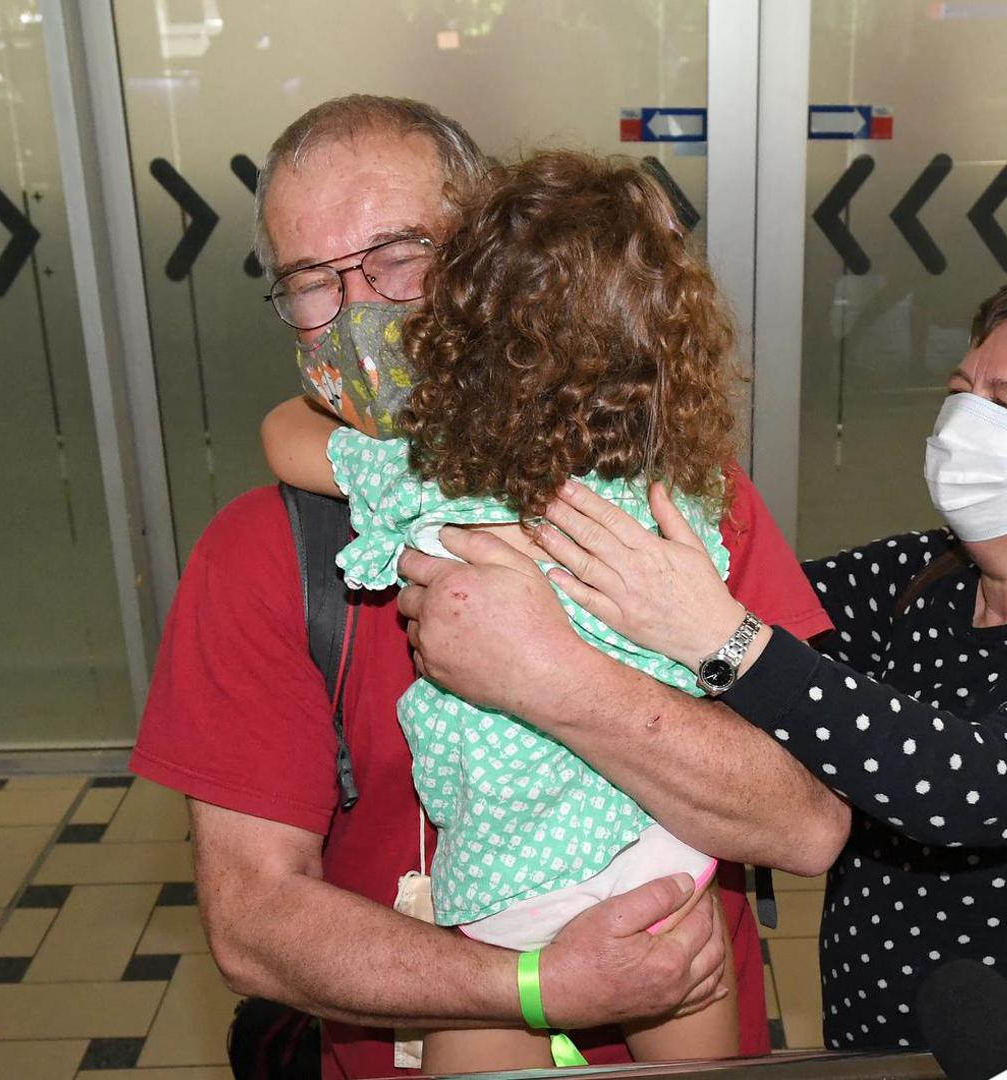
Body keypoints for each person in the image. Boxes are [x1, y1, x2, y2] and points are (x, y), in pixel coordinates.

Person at [130, 95, 847, 1080]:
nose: (358, 312)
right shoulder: (259, 553)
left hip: (678, 977)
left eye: (396, 258)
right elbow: (253, 924)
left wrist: (551, 674)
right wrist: (528, 987)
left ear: (494, 261)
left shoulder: (687, 501)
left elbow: (807, 822)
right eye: (311, 281)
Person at [394, 266, 1007, 1048]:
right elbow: (702, 602)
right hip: (884, 1050)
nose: (960, 423)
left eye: (1004, 406)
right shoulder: (924, 578)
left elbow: (963, 786)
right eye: (960, 391)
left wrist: (719, 640)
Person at [261, 148, 750, 1071]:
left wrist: (377, 419)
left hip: (501, 892)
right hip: (661, 869)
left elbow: (286, 438)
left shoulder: (437, 482)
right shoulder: (684, 500)